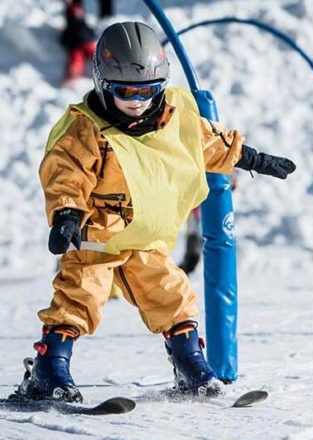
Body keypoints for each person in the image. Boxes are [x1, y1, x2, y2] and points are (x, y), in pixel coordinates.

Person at [14, 21, 295, 403]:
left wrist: (254, 159)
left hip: (145, 239)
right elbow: (66, 172)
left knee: (173, 294)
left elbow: (210, 144)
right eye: (127, 91)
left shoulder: (174, 117)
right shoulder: (87, 129)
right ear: (102, 82)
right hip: (99, 235)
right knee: (82, 295)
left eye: (148, 90)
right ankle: (49, 370)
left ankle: (190, 363)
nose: (138, 101)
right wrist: (66, 214)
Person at [60, 0, 96, 82]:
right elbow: (91, 32)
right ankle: (74, 70)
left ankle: (74, 69)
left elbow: (64, 39)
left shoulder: (71, 27)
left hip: (79, 44)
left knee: (77, 57)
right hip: (83, 43)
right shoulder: (81, 24)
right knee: (78, 57)